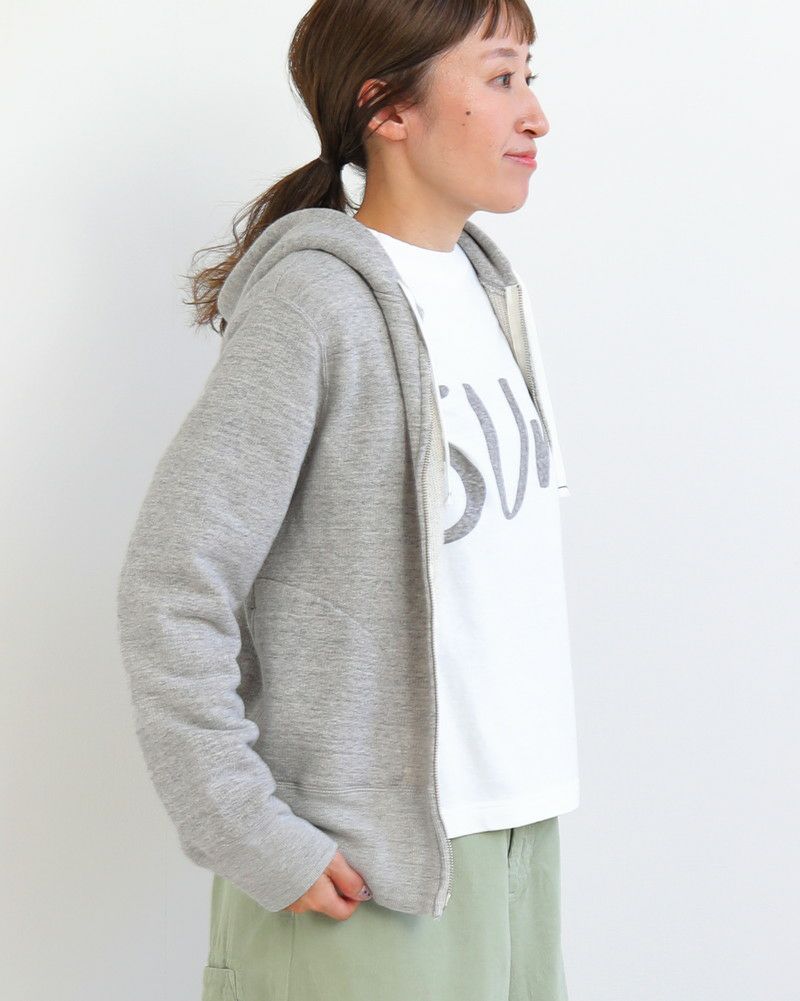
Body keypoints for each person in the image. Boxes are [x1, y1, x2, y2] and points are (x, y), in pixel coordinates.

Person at [116, 1, 580, 998]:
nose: (535, 113)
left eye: (529, 77)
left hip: (512, 837)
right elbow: (173, 579)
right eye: (500, 78)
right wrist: (243, 826)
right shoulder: (316, 302)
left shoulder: (487, 293)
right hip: (366, 871)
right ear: (387, 108)